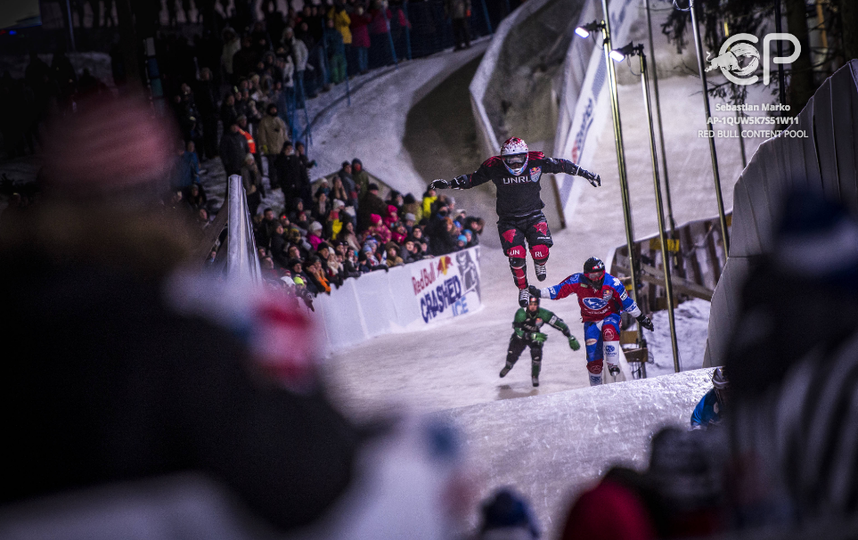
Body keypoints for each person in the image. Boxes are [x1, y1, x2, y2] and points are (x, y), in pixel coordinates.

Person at [430, 137, 601, 307]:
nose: (515, 164)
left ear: (525, 156)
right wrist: (450, 184)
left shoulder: (537, 160)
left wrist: (586, 173)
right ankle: (523, 288)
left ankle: (539, 263)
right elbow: (473, 179)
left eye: (519, 159)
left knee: (540, 250)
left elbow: (561, 165)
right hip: (509, 221)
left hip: (533, 215)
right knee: (516, 258)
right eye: (510, 160)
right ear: (503, 159)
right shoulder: (493, 166)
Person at [528, 257, 653, 386]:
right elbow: (559, 290)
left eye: (599, 274)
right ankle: (595, 386)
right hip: (591, 321)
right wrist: (538, 292)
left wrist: (641, 317)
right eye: (593, 275)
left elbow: (627, 303)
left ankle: (613, 365)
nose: (597, 278)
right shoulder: (577, 280)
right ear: (586, 275)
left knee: (609, 330)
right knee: (593, 360)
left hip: (610, 316)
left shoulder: (613, 283)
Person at [501, 294, 580, 388]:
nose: (533, 307)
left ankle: (535, 375)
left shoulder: (544, 314)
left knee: (536, 353)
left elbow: (559, 324)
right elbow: (518, 332)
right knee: (512, 353)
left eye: (535, 304)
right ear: (527, 305)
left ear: (538, 305)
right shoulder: (521, 313)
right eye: (531, 304)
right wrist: (531, 335)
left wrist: (569, 336)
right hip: (521, 337)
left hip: (535, 336)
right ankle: (508, 366)